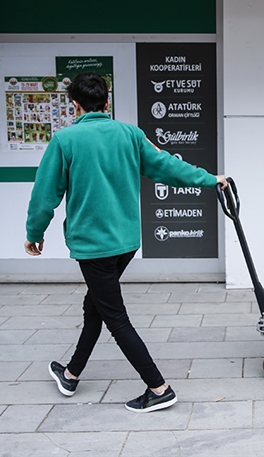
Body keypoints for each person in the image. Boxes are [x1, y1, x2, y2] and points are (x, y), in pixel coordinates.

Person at [24, 72, 227, 412]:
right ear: (107, 103)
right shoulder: (131, 135)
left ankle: (159, 388)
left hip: (93, 246)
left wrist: (34, 234)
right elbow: (166, 167)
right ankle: (71, 374)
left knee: (115, 317)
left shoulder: (65, 140)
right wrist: (210, 179)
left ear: (75, 106)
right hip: (126, 242)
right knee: (96, 307)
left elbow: (45, 195)